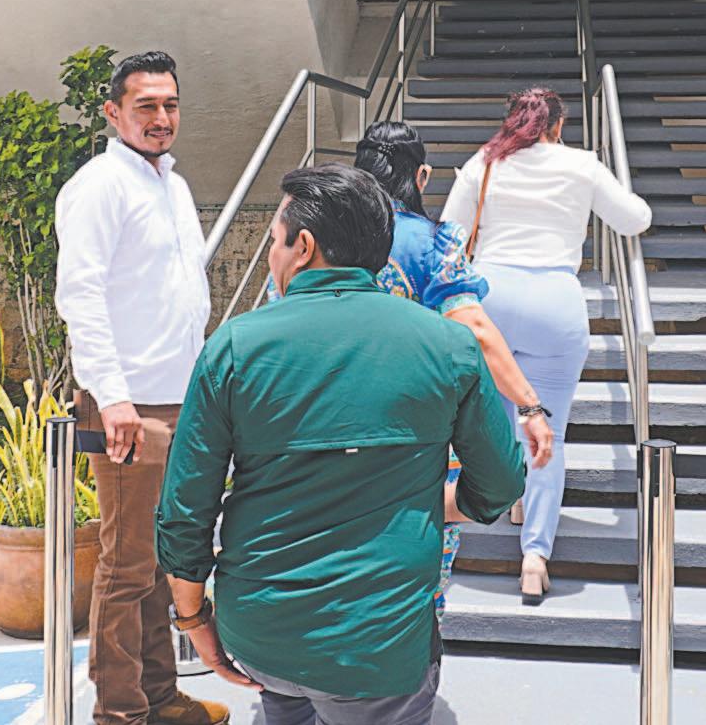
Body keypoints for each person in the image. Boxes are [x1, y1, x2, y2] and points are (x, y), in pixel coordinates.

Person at [157, 165, 526, 725]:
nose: (272, 257)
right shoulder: (448, 346)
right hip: (380, 643)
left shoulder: (233, 347)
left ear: (303, 247)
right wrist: (443, 504)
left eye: (274, 241)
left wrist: (192, 621)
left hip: (261, 634)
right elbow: (501, 482)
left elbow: (186, 510)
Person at [54, 51, 224, 725]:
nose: (161, 118)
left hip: (179, 398)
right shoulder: (100, 186)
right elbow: (81, 294)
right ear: (113, 112)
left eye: (170, 105)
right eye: (146, 105)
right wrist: (112, 396)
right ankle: (119, 713)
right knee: (126, 565)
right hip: (127, 402)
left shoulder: (170, 185)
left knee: (159, 560)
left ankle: (159, 697)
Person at [439, 87, 653, 604]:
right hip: (556, 300)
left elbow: (448, 233)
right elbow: (635, 219)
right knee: (547, 428)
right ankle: (534, 556)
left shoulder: (485, 162)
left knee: (491, 415)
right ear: (558, 126)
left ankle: (495, 497)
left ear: (512, 123)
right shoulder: (582, 164)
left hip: (490, 295)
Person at [350, 121, 555, 614]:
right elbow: (476, 330)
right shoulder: (433, 245)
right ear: (421, 176)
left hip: (328, 433)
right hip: (416, 439)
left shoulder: (315, 237)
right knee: (420, 572)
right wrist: (529, 406)